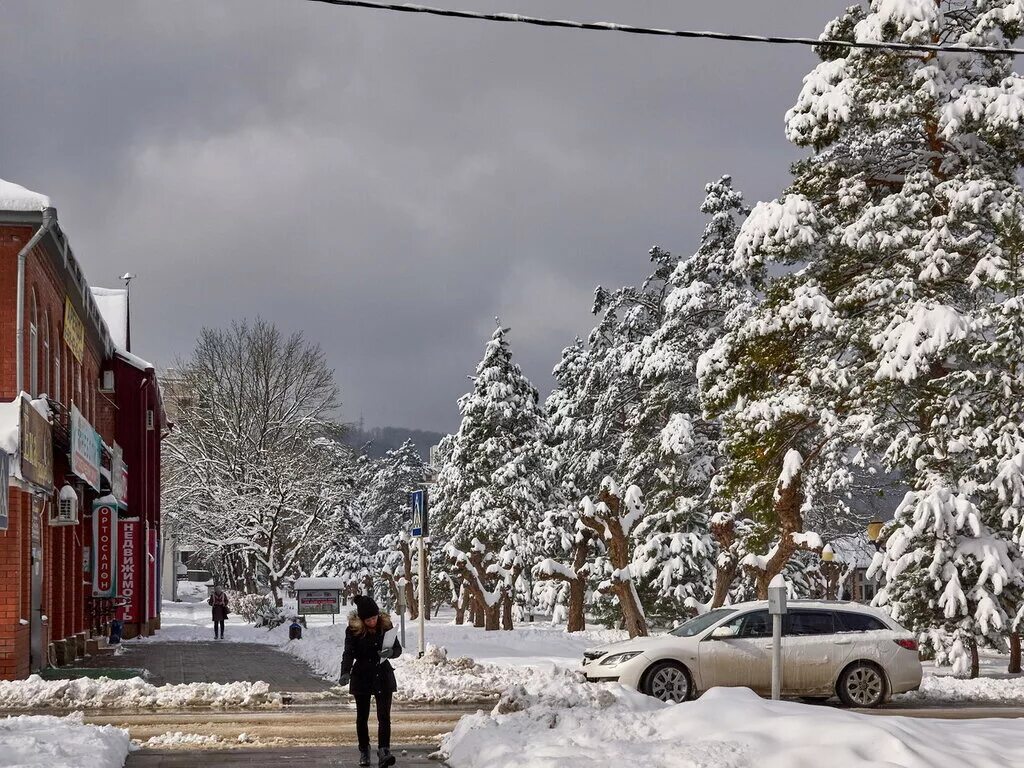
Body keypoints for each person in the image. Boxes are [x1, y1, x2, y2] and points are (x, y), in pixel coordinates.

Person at [339, 594, 402, 768]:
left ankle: (384, 751)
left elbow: (397, 649)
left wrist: (390, 653)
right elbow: (348, 653)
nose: (372, 622)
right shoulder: (353, 630)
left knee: (384, 717)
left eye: (374, 618)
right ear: (361, 620)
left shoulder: (386, 626)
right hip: (362, 676)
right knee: (362, 717)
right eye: (368, 620)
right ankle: (364, 751)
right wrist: (345, 672)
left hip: (383, 675)